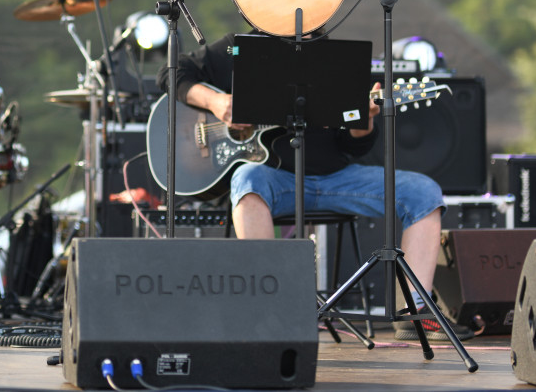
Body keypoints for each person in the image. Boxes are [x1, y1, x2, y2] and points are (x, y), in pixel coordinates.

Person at [157, 31, 474, 341]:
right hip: (275, 180)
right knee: (247, 179)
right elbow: (172, 74)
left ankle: (415, 313)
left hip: (336, 178)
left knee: (423, 191)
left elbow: (354, 147)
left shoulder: (334, 57)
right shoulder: (239, 47)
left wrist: (363, 125)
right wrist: (215, 101)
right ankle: (270, 305)